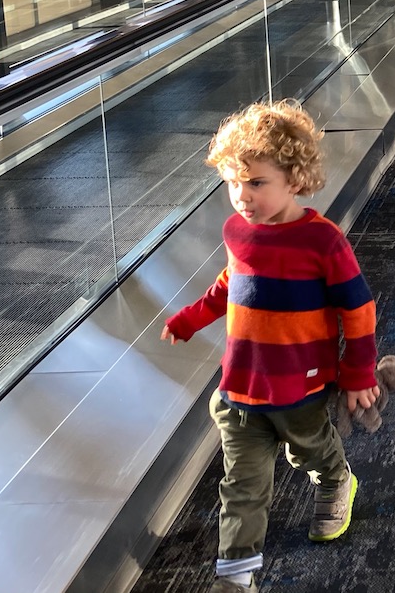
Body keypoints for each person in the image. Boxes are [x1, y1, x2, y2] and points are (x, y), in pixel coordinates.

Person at [162, 100, 380, 593]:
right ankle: (236, 578)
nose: (242, 196)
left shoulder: (322, 242)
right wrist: (192, 317)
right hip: (239, 388)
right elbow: (232, 282)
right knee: (241, 487)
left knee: (309, 451)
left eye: (257, 183)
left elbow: (358, 309)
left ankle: (335, 479)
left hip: (300, 387)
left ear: (295, 178)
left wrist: (359, 371)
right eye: (234, 182)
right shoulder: (238, 230)